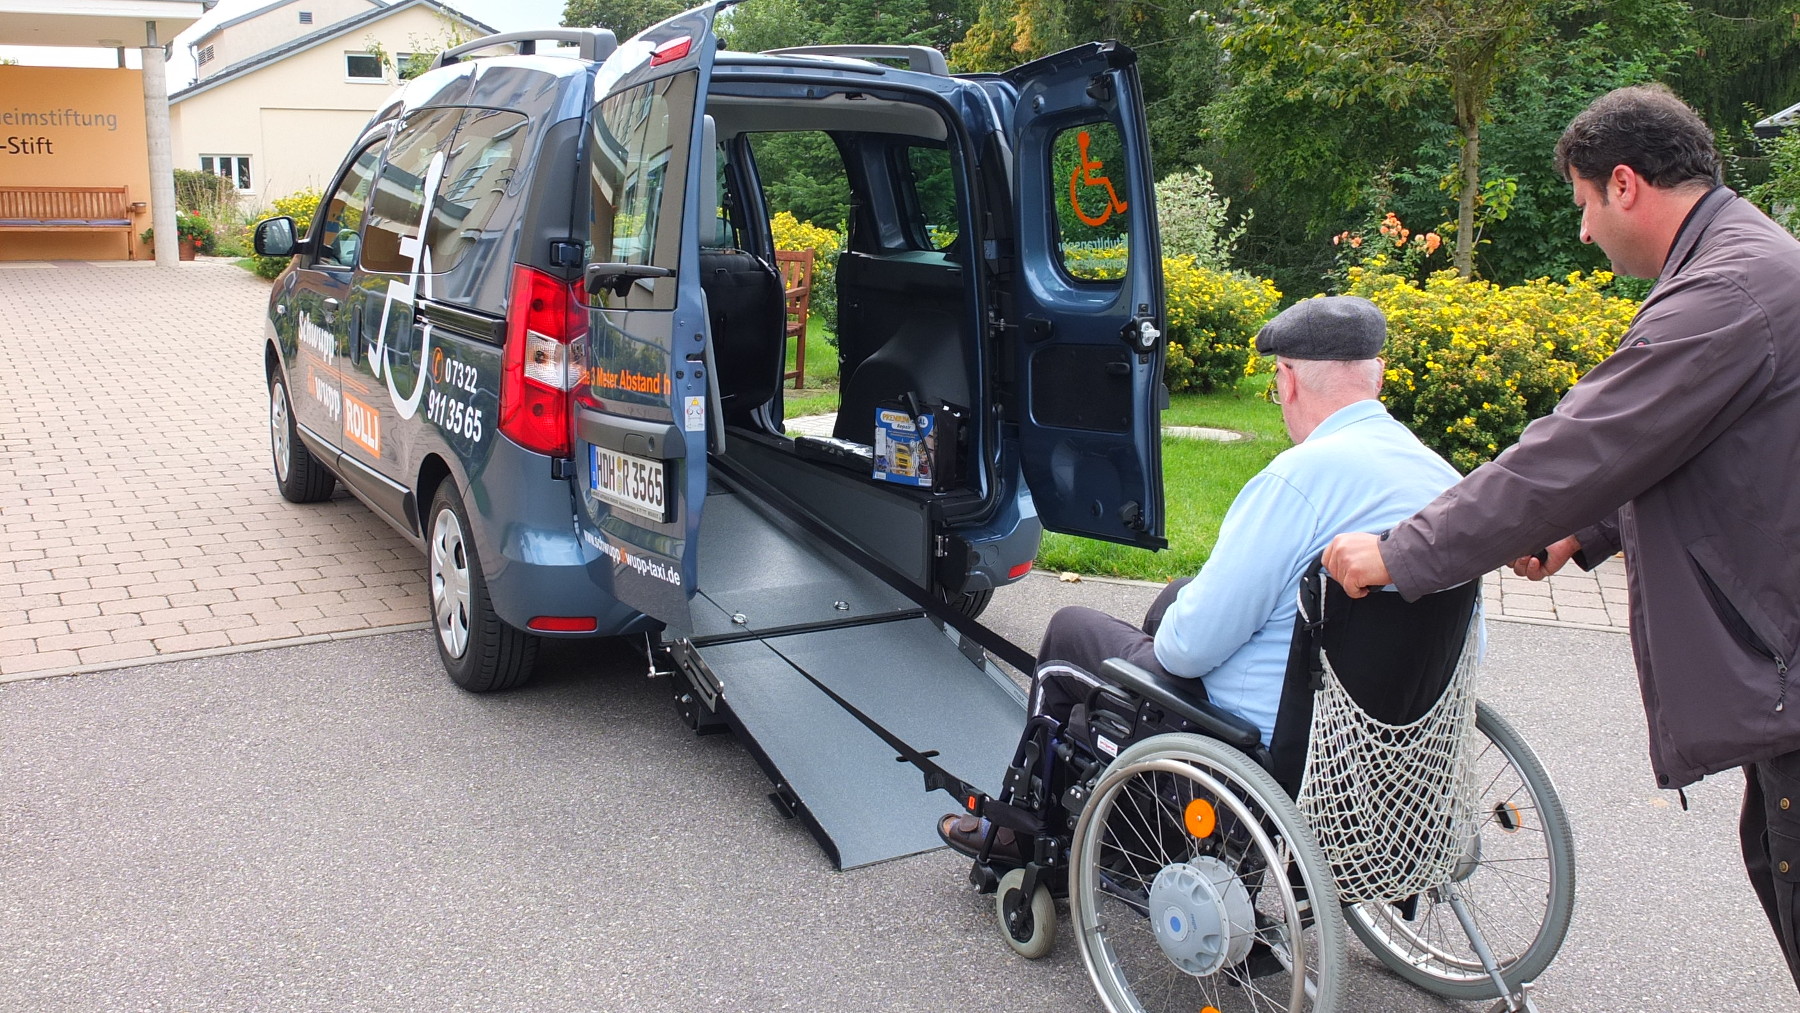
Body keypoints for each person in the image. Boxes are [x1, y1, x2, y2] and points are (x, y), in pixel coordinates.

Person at [1320, 83, 1800, 990]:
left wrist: (1402, 552)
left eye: (1582, 203)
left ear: (1624, 185)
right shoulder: (1743, 265)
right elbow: (1693, 449)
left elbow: (1579, 446)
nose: (1582, 230)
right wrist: (1579, 535)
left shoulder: (1726, 292)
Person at [940, 295, 1462, 859]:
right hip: (1387, 749)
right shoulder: (1444, 483)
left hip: (1270, 742)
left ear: (1287, 381)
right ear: (1377, 376)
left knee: (1073, 633)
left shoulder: (1300, 480)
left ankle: (1019, 830)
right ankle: (1134, 812)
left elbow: (1189, 651)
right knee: (1173, 600)